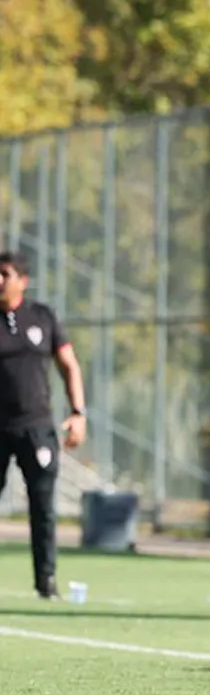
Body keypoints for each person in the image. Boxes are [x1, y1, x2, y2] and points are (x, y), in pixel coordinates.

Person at [0, 251, 87, 599]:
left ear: (23, 280)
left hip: (36, 427)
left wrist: (79, 412)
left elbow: (70, 366)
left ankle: (46, 582)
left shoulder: (43, 317)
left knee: (43, 506)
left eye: (4, 274)